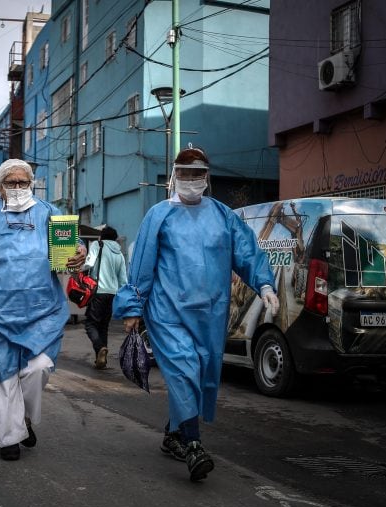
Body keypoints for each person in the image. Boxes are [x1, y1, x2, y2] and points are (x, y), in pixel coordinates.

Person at [113, 147, 279, 482]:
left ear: (207, 177)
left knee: (198, 373)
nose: (191, 180)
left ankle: (173, 434)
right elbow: (142, 264)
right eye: (185, 174)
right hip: (167, 311)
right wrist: (133, 307)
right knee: (185, 369)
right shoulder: (159, 215)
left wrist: (264, 285)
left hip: (210, 314)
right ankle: (193, 446)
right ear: (175, 176)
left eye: (197, 174)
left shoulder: (223, 216)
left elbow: (246, 251)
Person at [0, 159, 86, 462]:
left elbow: (71, 248)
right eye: (10, 182)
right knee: (2, 376)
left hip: (43, 313)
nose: (16, 188)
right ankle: (9, 438)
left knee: (38, 368)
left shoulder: (50, 213)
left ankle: (23, 418)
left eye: (22, 182)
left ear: (31, 184)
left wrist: (79, 252)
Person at [83, 225, 127, 369]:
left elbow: (89, 263)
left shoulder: (98, 245)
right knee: (103, 326)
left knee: (90, 323)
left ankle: (100, 346)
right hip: (112, 294)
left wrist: (76, 267)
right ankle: (101, 359)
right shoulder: (120, 254)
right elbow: (123, 281)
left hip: (98, 291)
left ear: (102, 237)